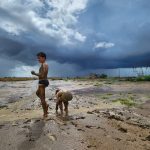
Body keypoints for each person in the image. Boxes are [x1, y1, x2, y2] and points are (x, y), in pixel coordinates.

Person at [31, 52, 49, 118]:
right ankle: (46, 105)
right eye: (38, 58)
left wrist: (35, 73)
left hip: (43, 82)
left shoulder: (44, 65)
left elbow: (42, 75)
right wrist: (36, 73)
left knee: (42, 99)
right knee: (37, 93)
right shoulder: (43, 64)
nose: (38, 59)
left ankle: (45, 113)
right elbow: (41, 73)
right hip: (42, 81)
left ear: (43, 58)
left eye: (39, 58)